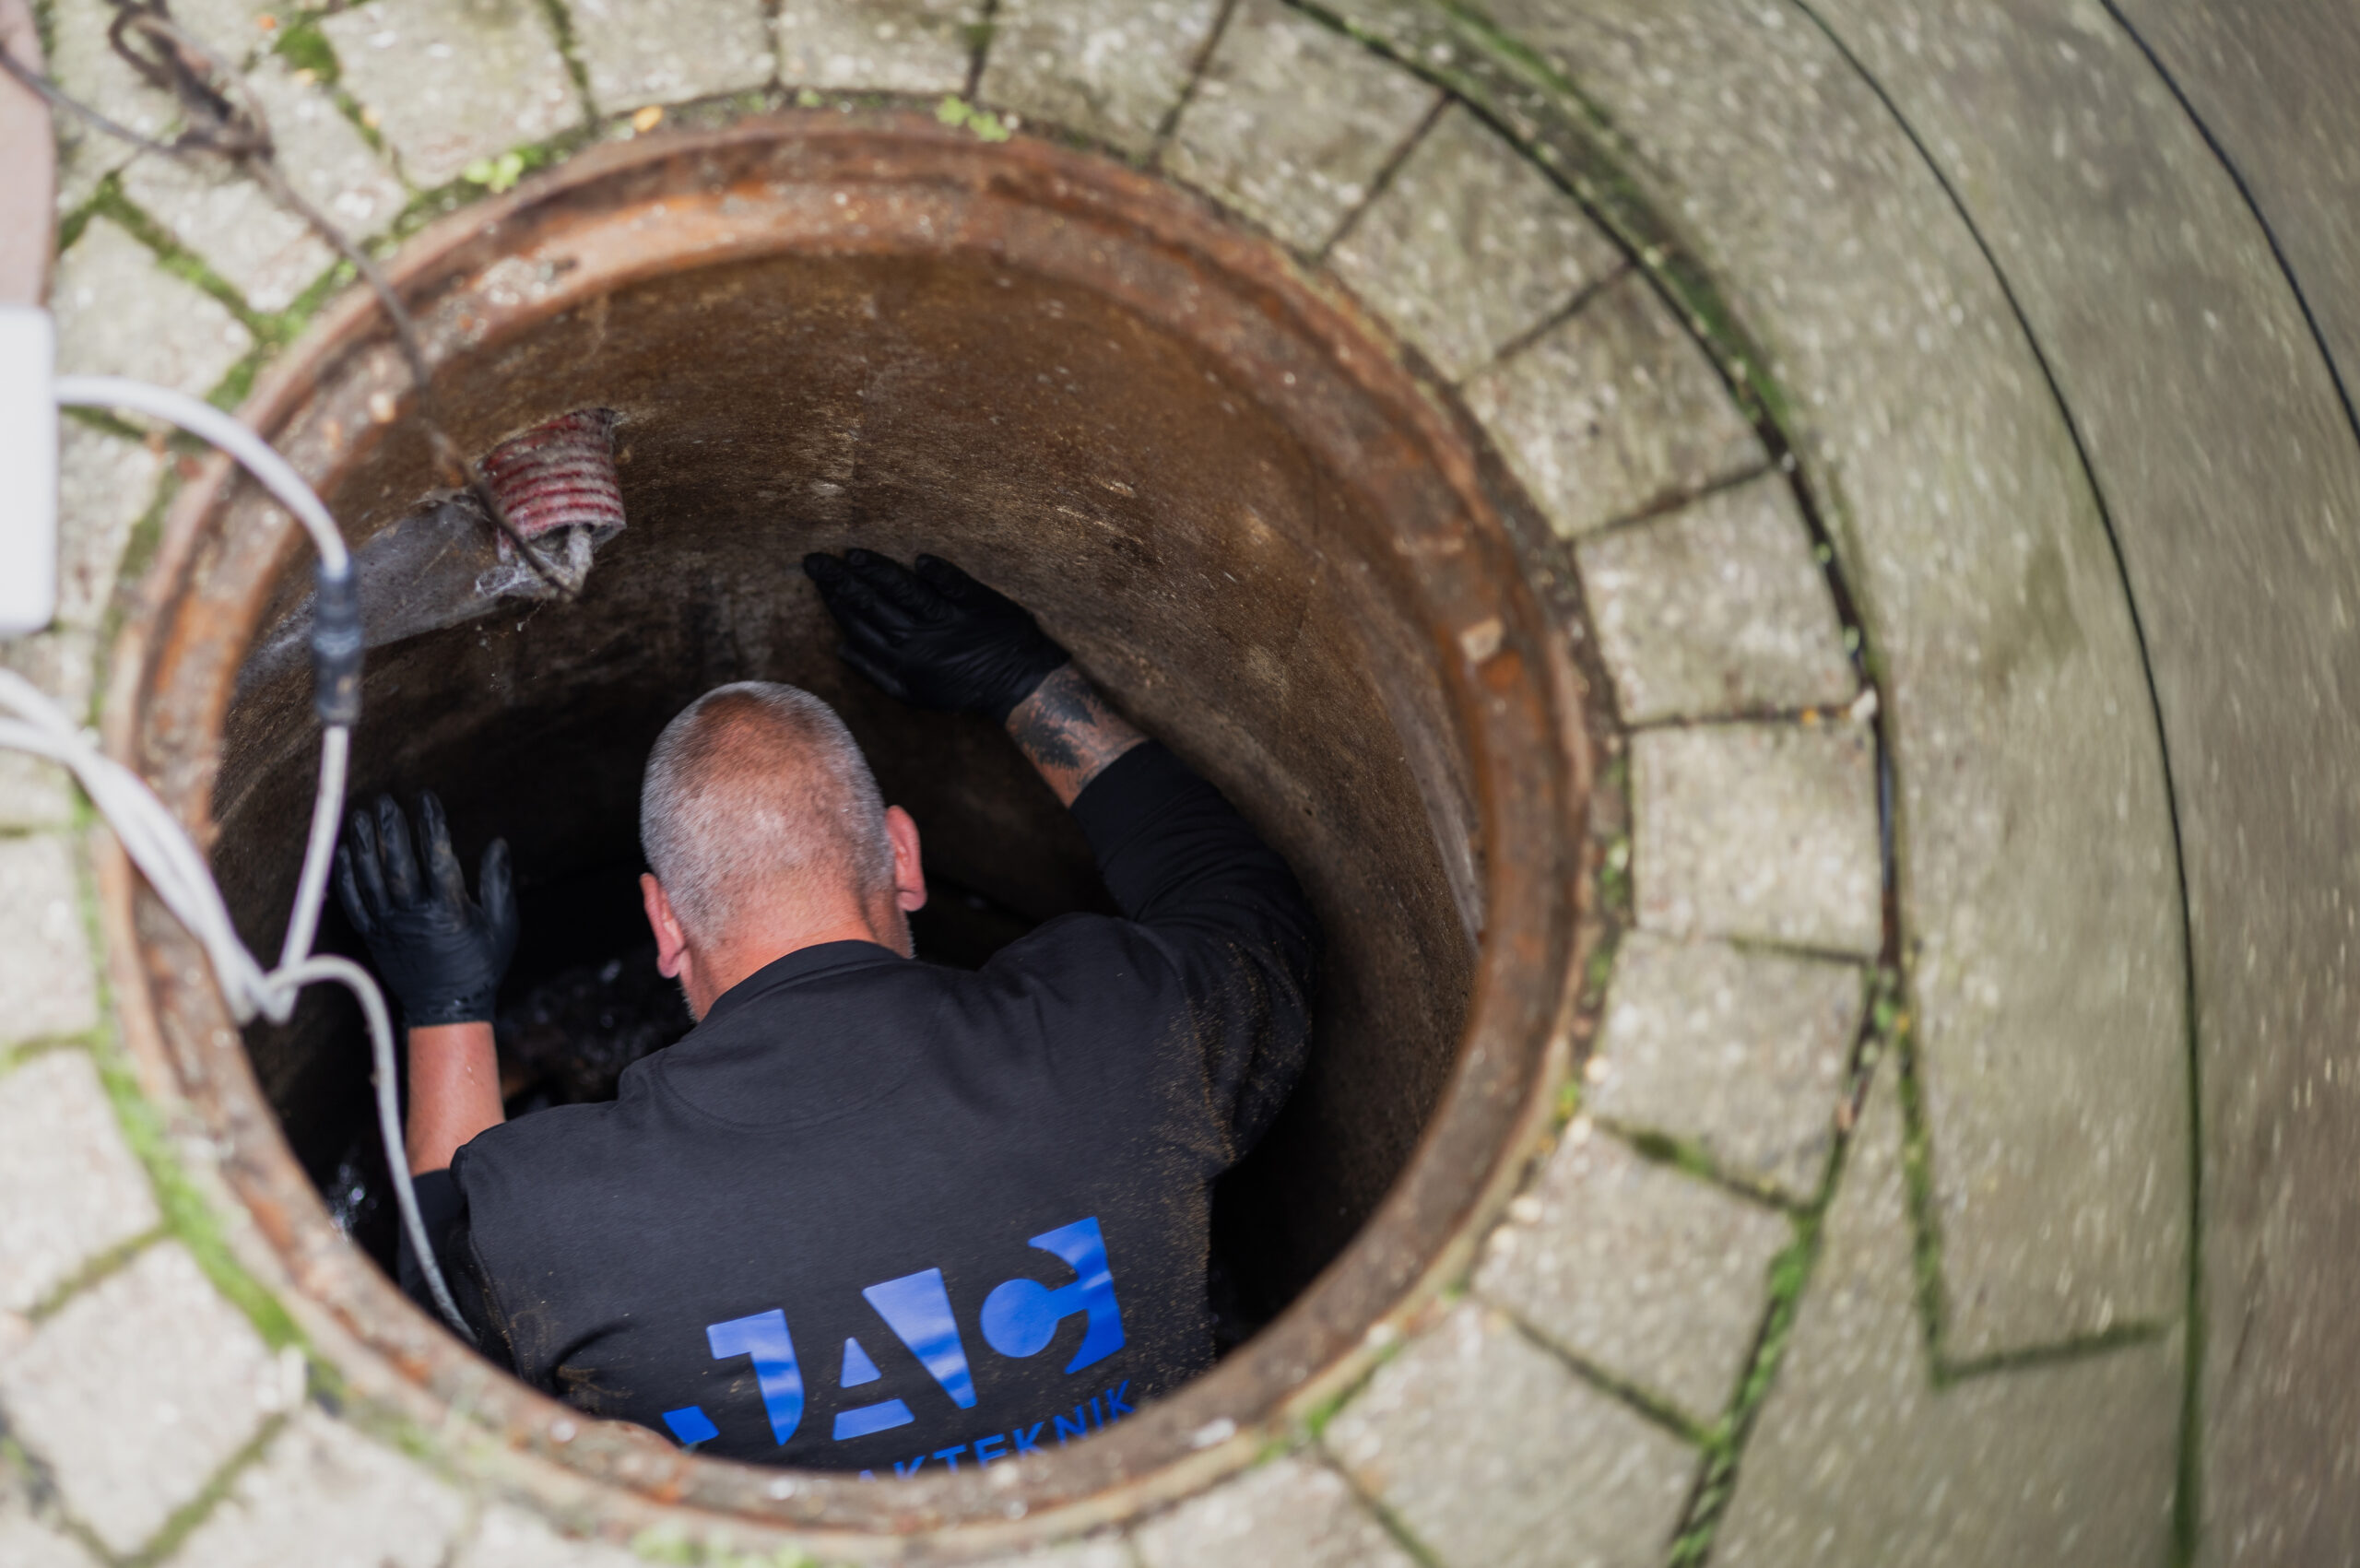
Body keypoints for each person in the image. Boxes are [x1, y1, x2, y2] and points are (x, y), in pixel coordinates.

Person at [335, 549, 1319, 1472]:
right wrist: (1023, 681)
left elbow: (438, 1323)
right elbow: (1243, 904)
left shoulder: (557, 1217)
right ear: (901, 855)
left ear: (663, 924)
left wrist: (446, 1003)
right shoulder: (1117, 1035)